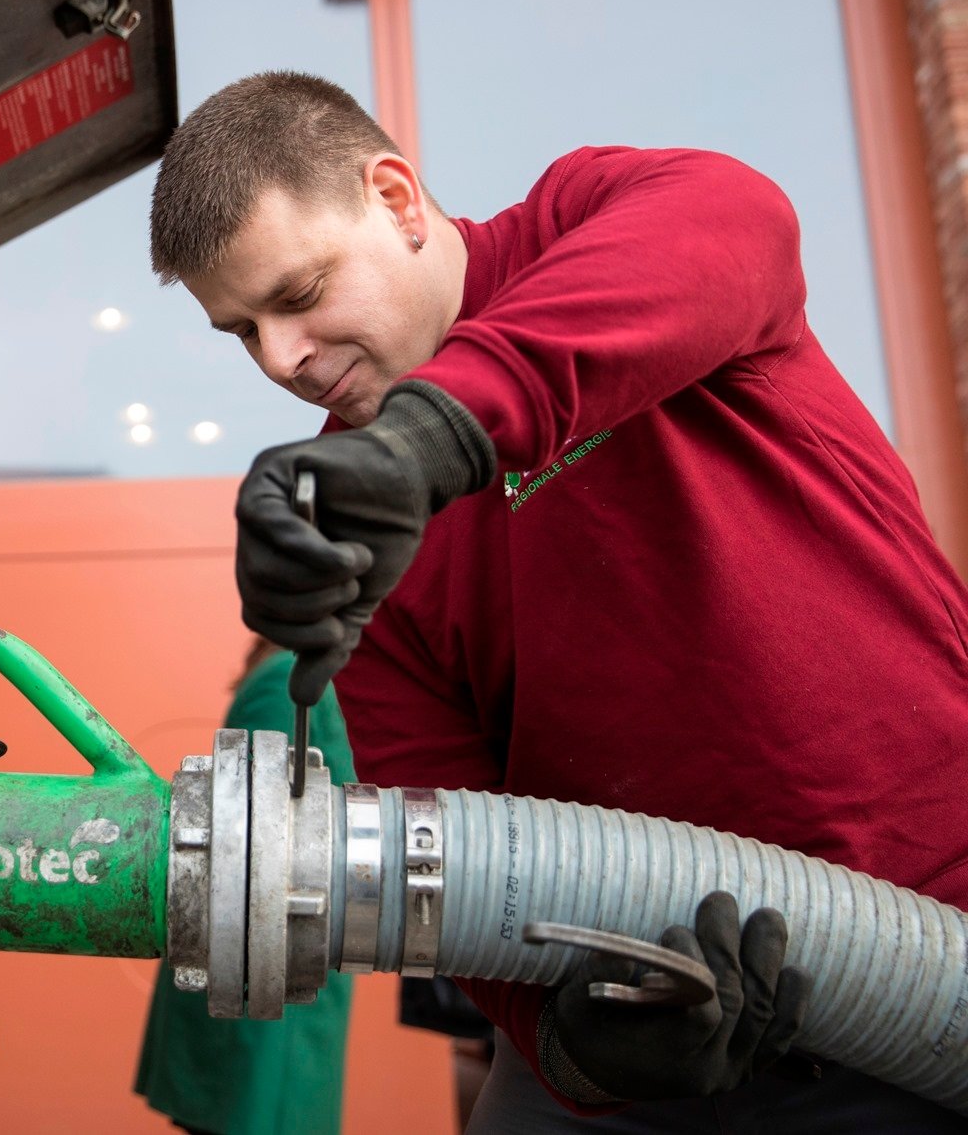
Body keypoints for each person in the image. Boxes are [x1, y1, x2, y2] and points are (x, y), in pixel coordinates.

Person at [145, 71, 968, 1129]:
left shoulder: (582, 228)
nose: (279, 359)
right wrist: (571, 1042)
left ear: (395, 200)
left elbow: (736, 218)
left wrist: (433, 436)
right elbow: (448, 827)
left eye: (297, 295)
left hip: (925, 927)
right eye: (239, 330)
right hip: (657, 1017)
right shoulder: (350, 516)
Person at [135, 640, 356, 1135]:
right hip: (265, 991)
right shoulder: (291, 681)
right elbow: (252, 838)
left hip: (268, 990)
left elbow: (259, 843)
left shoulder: (290, 679)